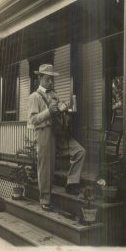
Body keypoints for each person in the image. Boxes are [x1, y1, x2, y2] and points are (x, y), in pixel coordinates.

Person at [28, 64, 86, 211]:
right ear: (40, 78)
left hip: (59, 132)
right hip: (44, 133)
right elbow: (33, 120)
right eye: (48, 79)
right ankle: (45, 200)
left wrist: (64, 107)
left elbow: (60, 111)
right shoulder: (34, 97)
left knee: (79, 151)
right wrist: (48, 111)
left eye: (52, 79)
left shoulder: (54, 95)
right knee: (46, 166)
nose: (51, 82)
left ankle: (71, 183)